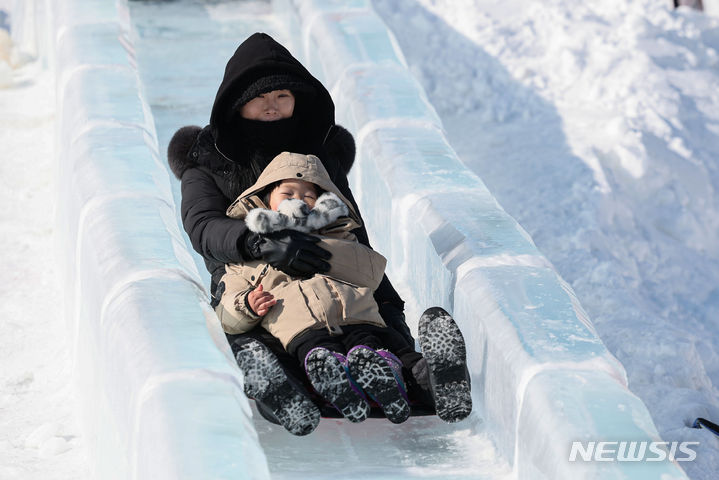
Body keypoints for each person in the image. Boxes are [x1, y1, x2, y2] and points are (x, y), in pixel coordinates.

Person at [166, 32, 426, 436]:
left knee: (367, 322)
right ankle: (287, 388)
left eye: (282, 96)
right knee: (271, 329)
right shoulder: (209, 160)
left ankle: (409, 376)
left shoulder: (318, 155)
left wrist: (393, 316)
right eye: (260, 97)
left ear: (298, 99)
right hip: (248, 271)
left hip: (326, 264)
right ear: (237, 103)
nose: (272, 106)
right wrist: (262, 243)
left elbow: (353, 230)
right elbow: (202, 226)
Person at [217, 151, 425, 425]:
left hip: (359, 318)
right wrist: (247, 304)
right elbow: (226, 309)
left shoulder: (341, 236)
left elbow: (372, 272)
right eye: (287, 191)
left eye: (308, 195)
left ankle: (404, 378)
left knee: (369, 348)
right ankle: (332, 384)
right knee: (318, 354)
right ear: (266, 199)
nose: (298, 199)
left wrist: (317, 250)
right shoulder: (250, 256)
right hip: (302, 329)